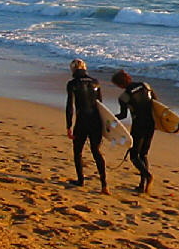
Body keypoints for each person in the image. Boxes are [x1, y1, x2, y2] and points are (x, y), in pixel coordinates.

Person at [110, 69, 158, 193]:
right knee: (144, 154)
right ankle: (142, 185)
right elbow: (156, 105)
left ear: (119, 84)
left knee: (134, 155)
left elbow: (123, 115)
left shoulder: (124, 97)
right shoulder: (145, 86)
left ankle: (147, 176)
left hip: (138, 125)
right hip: (151, 124)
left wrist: (111, 119)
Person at [66, 58, 108, 194]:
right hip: (96, 121)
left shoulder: (72, 84)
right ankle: (104, 185)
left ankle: (80, 180)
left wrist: (69, 125)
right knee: (96, 152)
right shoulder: (96, 82)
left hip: (82, 121)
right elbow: (100, 105)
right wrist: (105, 125)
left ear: (73, 69)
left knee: (78, 151)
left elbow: (69, 107)